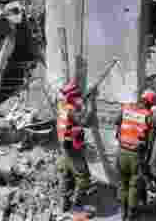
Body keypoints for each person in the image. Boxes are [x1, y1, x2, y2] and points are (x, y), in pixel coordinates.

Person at [115, 90, 156, 221]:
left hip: (121, 151)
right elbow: (150, 142)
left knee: (122, 182)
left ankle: (122, 211)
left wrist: (121, 137)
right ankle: (131, 214)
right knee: (134, 185)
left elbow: (117, 124)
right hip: (136, 155)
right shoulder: (149, 116)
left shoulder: (126, 109)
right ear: (150, 103)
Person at [56, 81, 93, 213]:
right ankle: (77, 206)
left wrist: (81, 101)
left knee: (67, 175)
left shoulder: (62, 105)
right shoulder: (71, 111)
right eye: (76, 95)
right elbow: (85, 121)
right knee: (83, 176)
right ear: (72, 97)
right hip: (72, 148)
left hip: (64, 146)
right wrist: (89, 104)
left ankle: (64, 203)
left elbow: (73, 107)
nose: (78, 96)